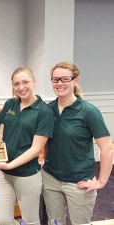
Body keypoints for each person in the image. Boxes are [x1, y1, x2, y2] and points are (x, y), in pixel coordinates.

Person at [42, 61, 114, 225]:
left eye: (65, 79)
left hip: (79, 182)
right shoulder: (48, 109)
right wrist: (44, 159)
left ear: (76, 80)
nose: (60, 83)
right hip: (50, 178)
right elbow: (47, 139)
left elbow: (107, 148)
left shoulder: (89, 112)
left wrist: (101, 181)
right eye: (55, 79)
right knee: (54, 223)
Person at [0, 67, 54, 225]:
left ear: (34, 82)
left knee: (30, 220)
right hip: (4, 173)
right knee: (3, 220)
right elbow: (0, 134)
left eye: (25, 82)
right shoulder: (10, 104)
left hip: (27, 174)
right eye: (16, 84)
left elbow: (36, 149)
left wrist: (10, 165)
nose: (21, 87)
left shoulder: (44, 111)